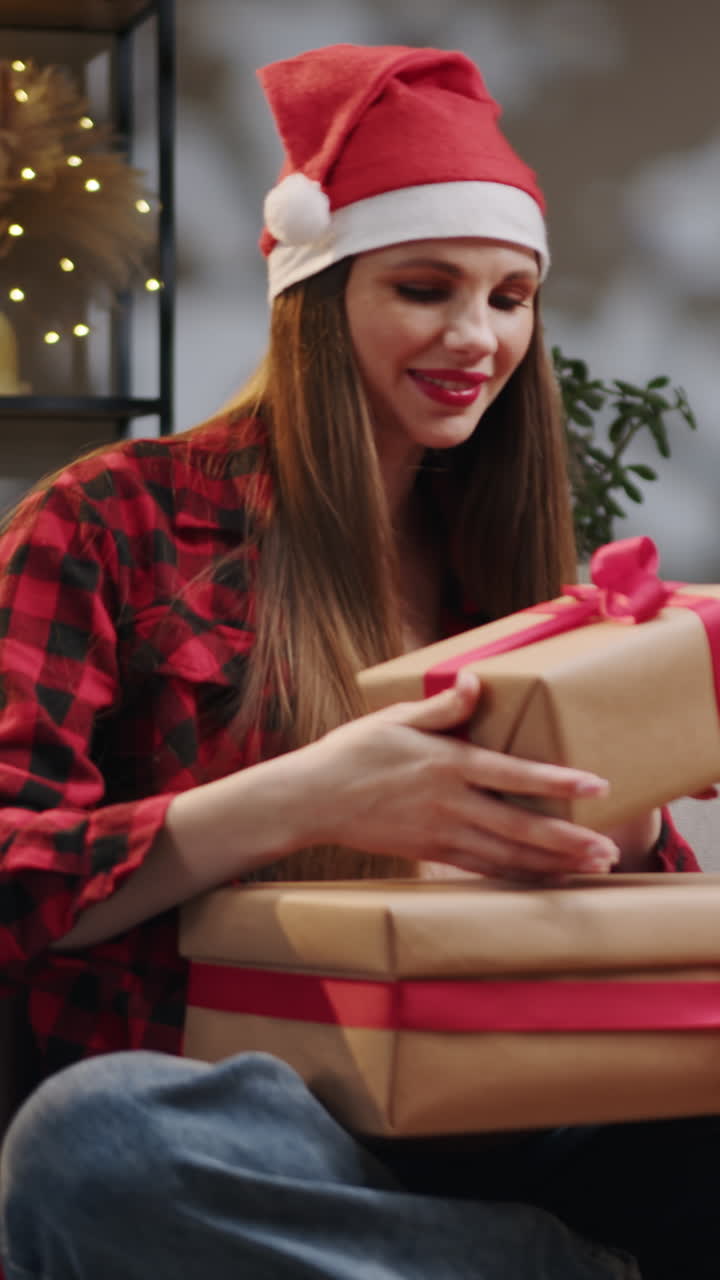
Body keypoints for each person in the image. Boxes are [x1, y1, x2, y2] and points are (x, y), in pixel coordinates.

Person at [0, 41, 712, 1280]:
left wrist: (629, 811)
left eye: (508, 296)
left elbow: (619, 937)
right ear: (319, 295)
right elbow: (12, 871)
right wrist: (319, 792)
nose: (477, 336)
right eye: (426, 286)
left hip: (498, 1087)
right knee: (92, 1142)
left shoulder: (524, 575)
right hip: (247, 1111)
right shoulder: (107, 518)